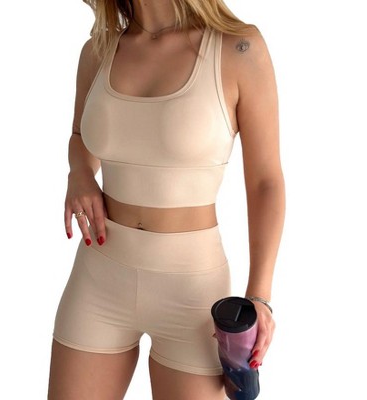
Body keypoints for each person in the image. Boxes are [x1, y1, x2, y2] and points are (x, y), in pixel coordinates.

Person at [47, 0, 286, 399]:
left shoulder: (238, 48)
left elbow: (265, 182)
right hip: (98, 278)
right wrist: (80, 174)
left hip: (193, 294)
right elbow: (79, 136)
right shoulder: (98, 50)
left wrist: (259, 296)